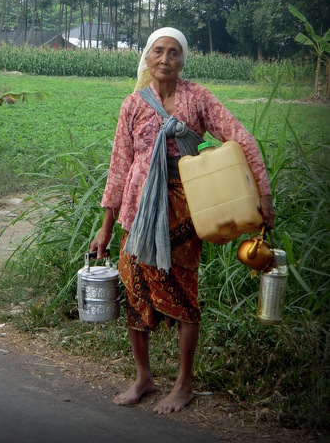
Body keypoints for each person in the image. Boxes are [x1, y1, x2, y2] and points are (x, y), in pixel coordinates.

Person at [90, 27, 274, 415]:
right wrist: (105, 227)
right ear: (147, 56)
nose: (165, 59)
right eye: (158, 51)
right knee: (135, 286)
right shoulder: (133, 104)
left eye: (174, 53)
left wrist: (263, 193)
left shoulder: (198, 98)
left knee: (183, 289)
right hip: (138, 213)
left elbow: (240, 137)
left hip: (186, 211)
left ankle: (184, 384)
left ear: (182, 60)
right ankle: (143, 377)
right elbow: (119, 168)